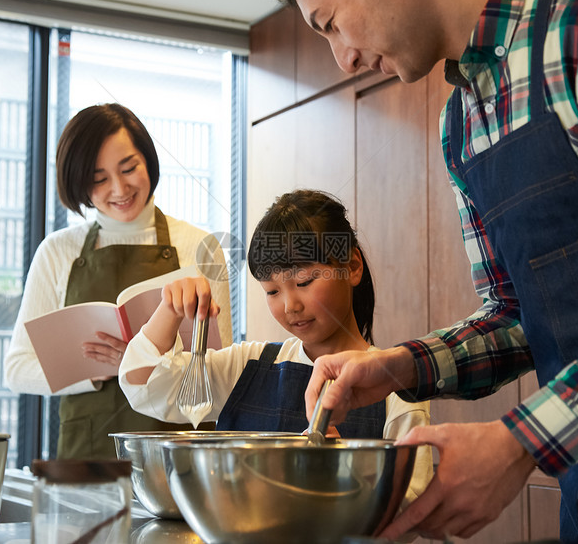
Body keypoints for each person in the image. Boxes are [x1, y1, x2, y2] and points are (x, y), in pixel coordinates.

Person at [264, 0, 578, 542]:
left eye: (330, 24)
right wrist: (400, 365)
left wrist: (519, 440)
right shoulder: (461, 123)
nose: (341, 58)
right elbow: (522, 314)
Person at [119, 189, 434, 504]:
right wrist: (169, 311)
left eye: (304, 283)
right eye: (272, 291)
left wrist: (344, 474)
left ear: (351, 267)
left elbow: (411, 505)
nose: (289, 306)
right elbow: (145, 390)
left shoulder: (395, 382)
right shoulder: (249, 365)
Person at [5, 103, 232, 459]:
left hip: (178, 461)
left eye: (129, 168)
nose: (119, 188)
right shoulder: (57, 252)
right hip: (87, 460)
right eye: (99, 179)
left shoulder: (199, 246)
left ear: (148, 162)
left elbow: (220, 373)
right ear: (79, 182)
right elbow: (17, 369)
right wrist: (99, 369)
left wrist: (143, 361)